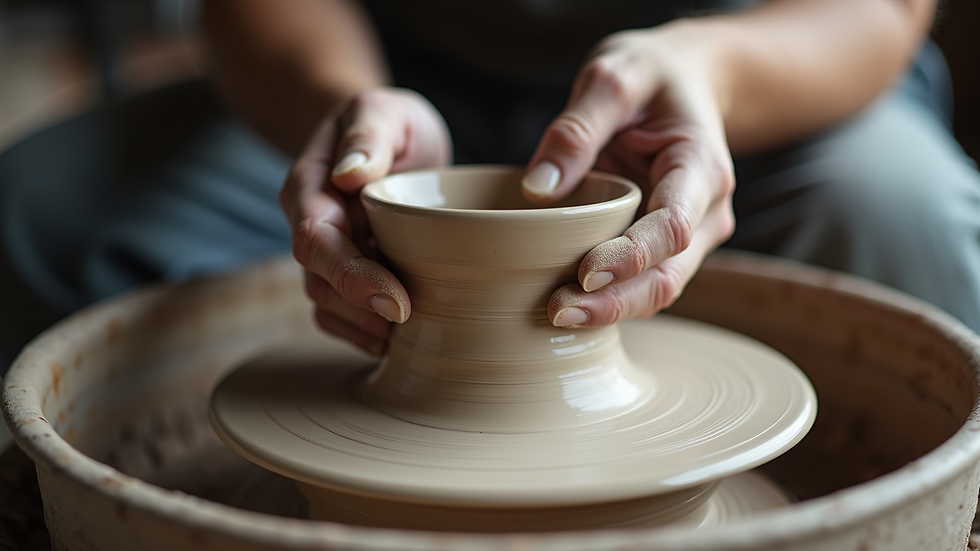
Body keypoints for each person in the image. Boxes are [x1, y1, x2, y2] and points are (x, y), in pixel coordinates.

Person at [2, 0, 978, 365]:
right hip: (395, 72)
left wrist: (710, 69)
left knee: (897, 215)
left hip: (731, 77)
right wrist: (343, 104)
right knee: (42, 213)